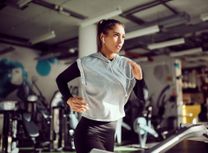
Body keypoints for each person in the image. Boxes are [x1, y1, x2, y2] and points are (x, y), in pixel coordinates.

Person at [56, 19, 144, 153]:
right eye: (116, 35)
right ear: (103, 37)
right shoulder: (86, 63)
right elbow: (61, 79)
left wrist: (139, 79)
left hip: (110, 133)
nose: (120, 41)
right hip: (89, 131)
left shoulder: (126, 65)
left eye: (123, 37)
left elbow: (140, 98)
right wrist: (69, 99)